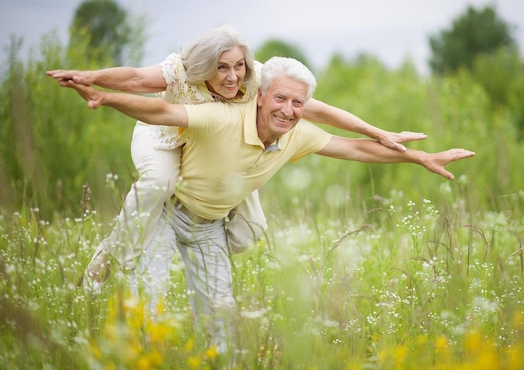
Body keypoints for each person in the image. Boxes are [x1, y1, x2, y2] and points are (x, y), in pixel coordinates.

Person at [62, 56, 475, 357]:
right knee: (146, 307)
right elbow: (159, 108)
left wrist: (419, 157)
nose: (288, 110)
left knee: (221, 325)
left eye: (298, 104)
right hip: (167, 214)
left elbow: (355, 148)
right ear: (259, 96)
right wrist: (105, 98)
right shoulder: (222, 117)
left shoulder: (297, 133)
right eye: (280, 99)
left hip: (209, 225)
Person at [47, 25, 424, 295]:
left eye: (238, 66)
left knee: (251, 228)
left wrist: (378, 133)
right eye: (222, 67)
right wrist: (92, 80)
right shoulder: (178, 71)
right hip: (164, 135)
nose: (232, 77)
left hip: (221, 147)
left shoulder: (258, 79)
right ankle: (113, 257)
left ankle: (200, 242)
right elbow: (132, 80)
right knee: (160, 186)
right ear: (204, 65)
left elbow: (319, 110)